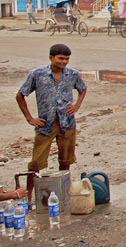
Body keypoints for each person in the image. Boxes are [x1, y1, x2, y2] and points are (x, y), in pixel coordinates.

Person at [16, 44, 87, 202]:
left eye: (67, 59)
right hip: (45, 125)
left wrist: (77, 105)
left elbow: (83, 89)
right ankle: (28, 198)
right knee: (35, 164)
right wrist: (30, 118)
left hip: (67, 124)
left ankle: (64, 194)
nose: (64, 62)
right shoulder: (37, 74)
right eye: (60, 58)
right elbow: (20, 95)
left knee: (66, 161)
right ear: (51, 58)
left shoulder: (72, 74)